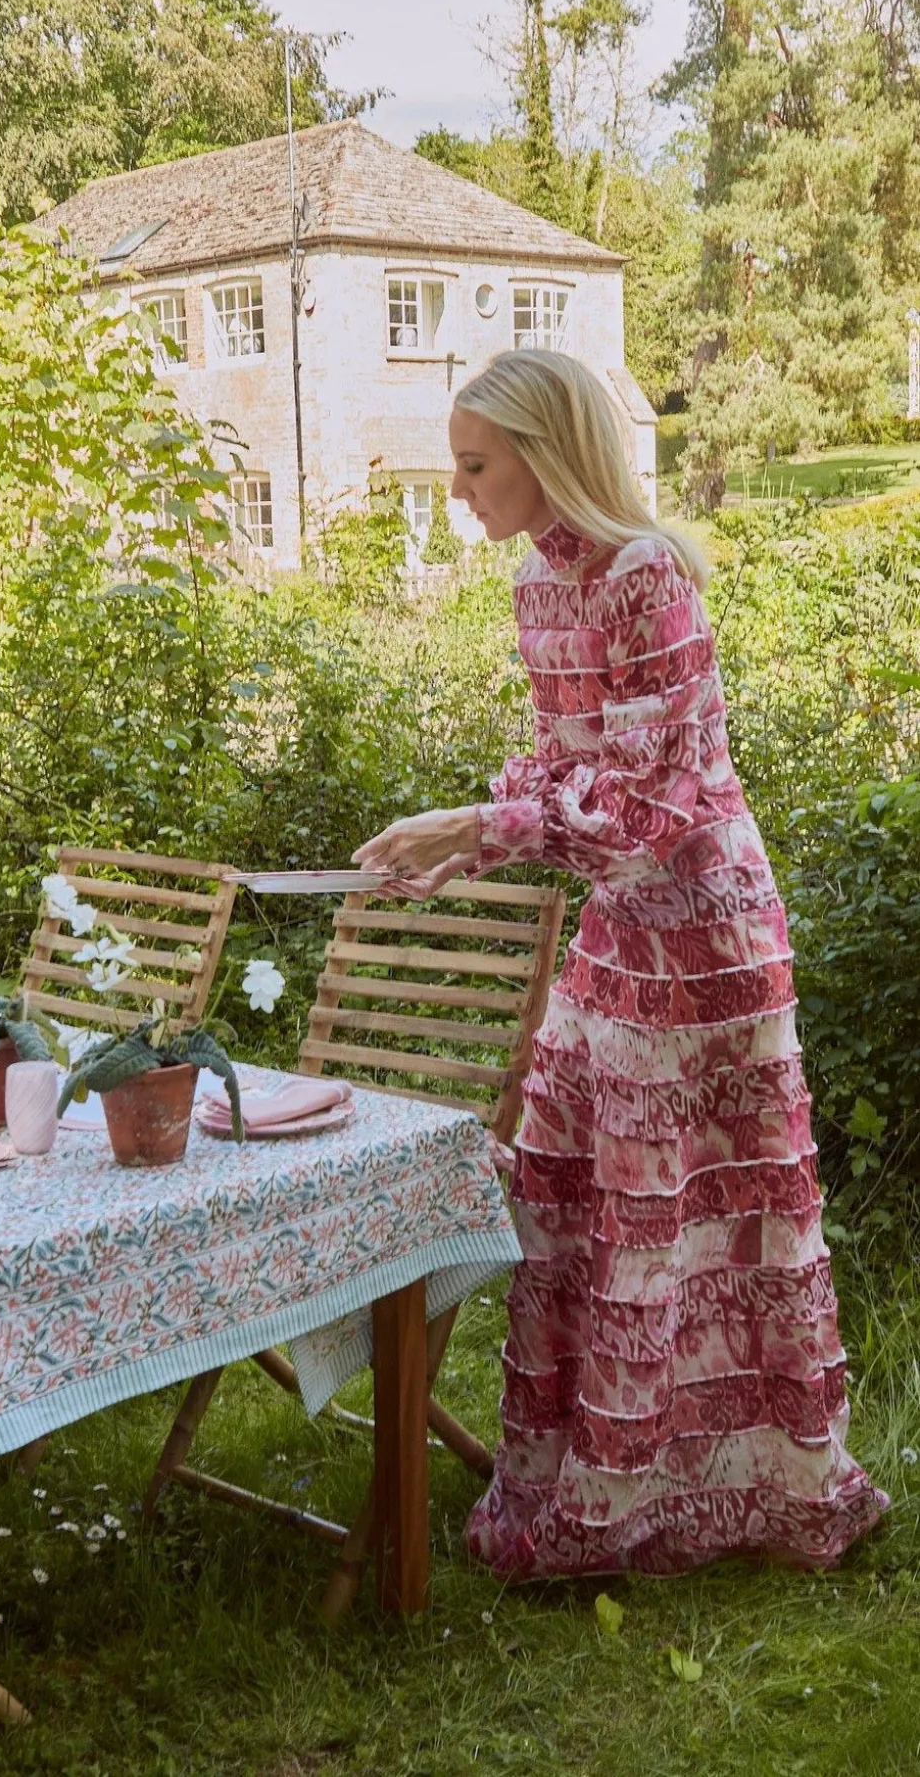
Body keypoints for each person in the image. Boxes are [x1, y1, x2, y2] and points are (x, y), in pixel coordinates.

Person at [354, 348, 886, 1576]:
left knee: (699, 1214)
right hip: (617, 923)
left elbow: (652, 794)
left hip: (701, 932)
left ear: (545, 455)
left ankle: (732, 1494)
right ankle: (589, 1486)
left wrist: (476, 828)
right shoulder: (538, 585)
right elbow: (563, 777)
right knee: (568, 1184)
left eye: (475, 464)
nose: (457, 488)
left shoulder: (649, 576)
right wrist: (467, 850)